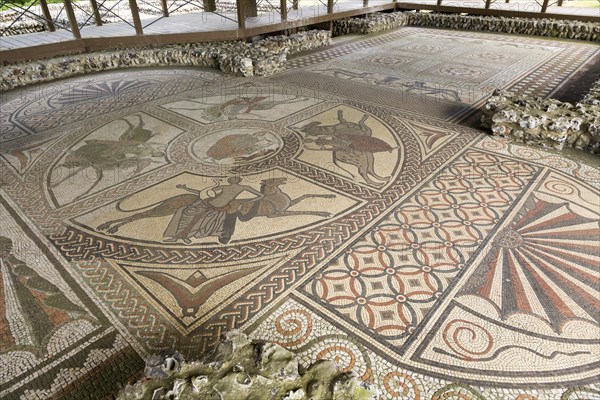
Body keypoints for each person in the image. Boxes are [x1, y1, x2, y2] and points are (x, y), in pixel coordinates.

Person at [163, 176, 264, 244]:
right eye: (231, 179)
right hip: (209, 203)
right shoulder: (224, 186)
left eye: (235, 178)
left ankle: (184, 236)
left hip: (220, 207)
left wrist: (246, 201)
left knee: (199, 220)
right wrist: (186, 188)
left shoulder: (244, 187)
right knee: (186, 215)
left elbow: (260, 195)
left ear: (238, 180)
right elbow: (204, 192)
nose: (233, 180)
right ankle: (176, 236)